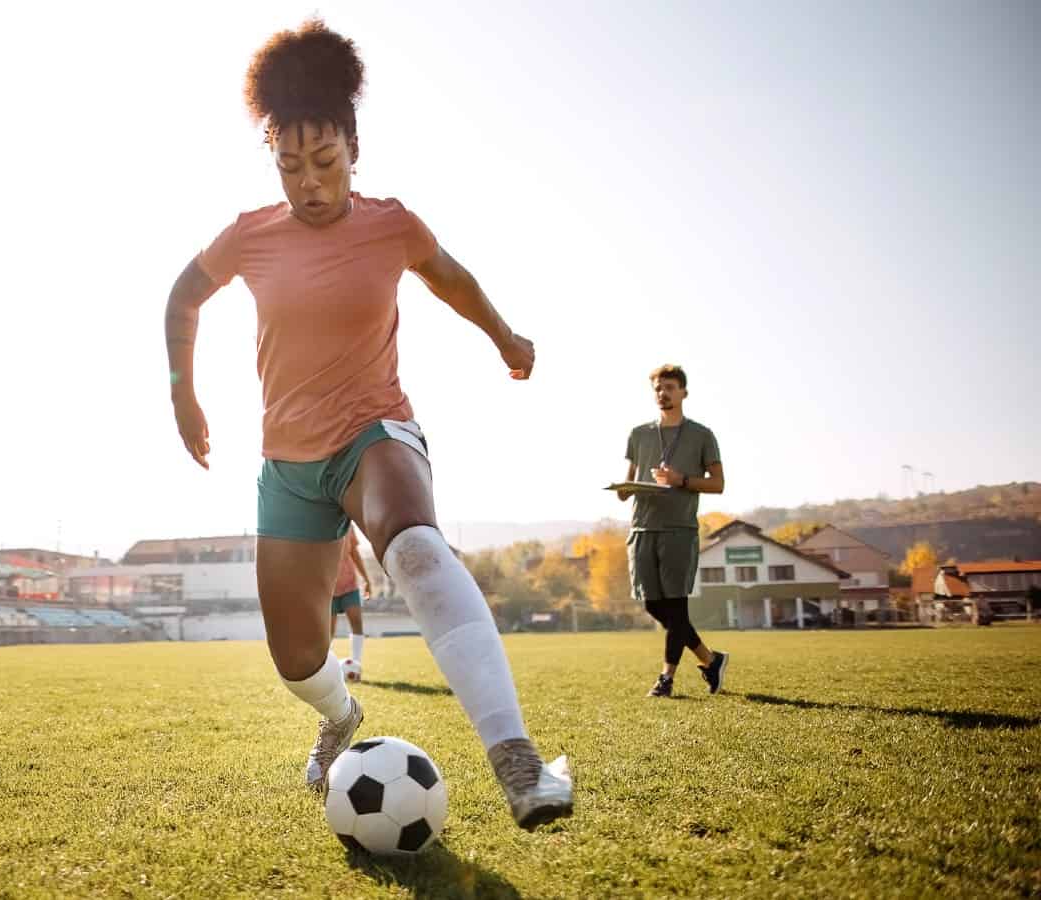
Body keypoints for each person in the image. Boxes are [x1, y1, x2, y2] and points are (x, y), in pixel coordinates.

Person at [163, 18, 572, 829]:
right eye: (289, 166)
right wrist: (184, 393)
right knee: (295, 657)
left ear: (354, 147)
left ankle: (521, 766)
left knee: (414, 546)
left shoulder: (391, 225)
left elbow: (451, 279)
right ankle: (340, 718)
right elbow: (181, 296)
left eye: (325, 162)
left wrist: (506, 338)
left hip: (375, 430)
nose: (308, 184)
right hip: (287, 462)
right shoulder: (251, 237)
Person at [618, 364, 729, 697]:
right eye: (657, 388)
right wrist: (624, 489)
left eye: (669, 387)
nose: (662, 393)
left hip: (678, 530)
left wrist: (682, 480)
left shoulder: (701, 435)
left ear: (683, 392)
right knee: (653, 605)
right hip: (642, 527)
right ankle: (710, 660)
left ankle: (666, 679)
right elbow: (631, 475)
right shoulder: (639, 434)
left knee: (676, 607)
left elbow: (718, 484)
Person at [331, 528, 372, 682]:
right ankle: (326, 672)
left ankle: (356, 667)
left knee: (357, 622)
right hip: (328, 587)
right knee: (328, 633)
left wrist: (366, 579)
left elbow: (354, 552)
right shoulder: (318, 521)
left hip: (350, 585)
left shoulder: (347, 525)